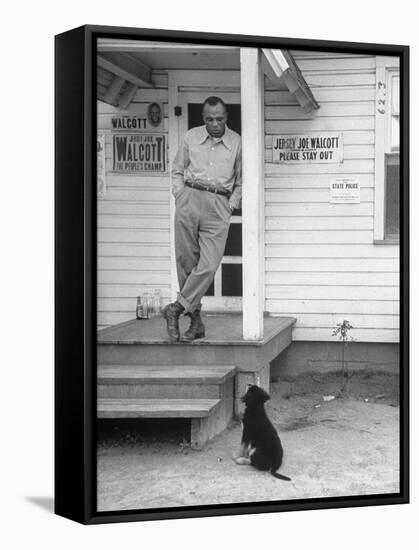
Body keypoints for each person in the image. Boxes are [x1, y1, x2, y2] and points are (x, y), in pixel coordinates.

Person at [163, 96, 242, 342]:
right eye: (210, 119)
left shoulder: (237, 142)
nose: (215, 123)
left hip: (218, 204)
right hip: (189, 198)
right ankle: (196, 323)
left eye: (219, 119)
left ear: (226, 117)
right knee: (186, 261)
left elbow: (242, 180)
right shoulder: (190, 137)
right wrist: (179, 193)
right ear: (203, 118)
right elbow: (177, 168)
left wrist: (230, 205)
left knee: (208, 264)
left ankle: (176, 308)